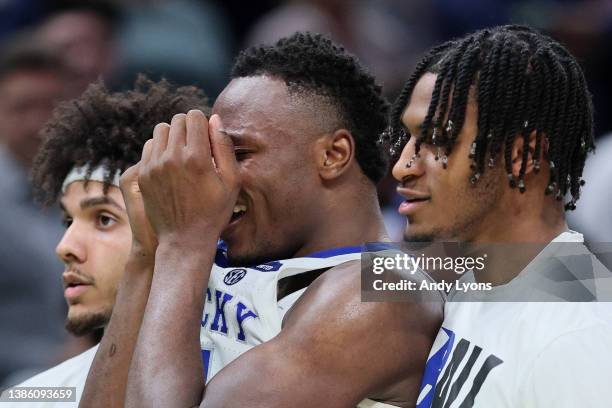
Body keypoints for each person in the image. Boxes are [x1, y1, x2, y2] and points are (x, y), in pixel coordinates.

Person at [82, 32, 443, 408]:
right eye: (212, 155)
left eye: (238, 153)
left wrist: (181, 245)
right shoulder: (211, 248)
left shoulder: (381, 293)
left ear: (333, 155)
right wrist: (145, 254)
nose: (217, 177)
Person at [388, 25, 612, 407]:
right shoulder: (479, 282)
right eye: (407, 139)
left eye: (438, 139)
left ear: (521, 158)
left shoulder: (578, 338)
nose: (402, 167)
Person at [4, 77, 209, 407]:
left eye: (103, 219)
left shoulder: (249, 368)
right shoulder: (31, 396)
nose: (65, 247)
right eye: (67, 221)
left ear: (177, 221)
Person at [0, 38, 70, 385]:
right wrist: (53, 361)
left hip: (91, 371)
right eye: (22, 108)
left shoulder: (94, 190)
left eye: (51, 107)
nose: (38, 124)